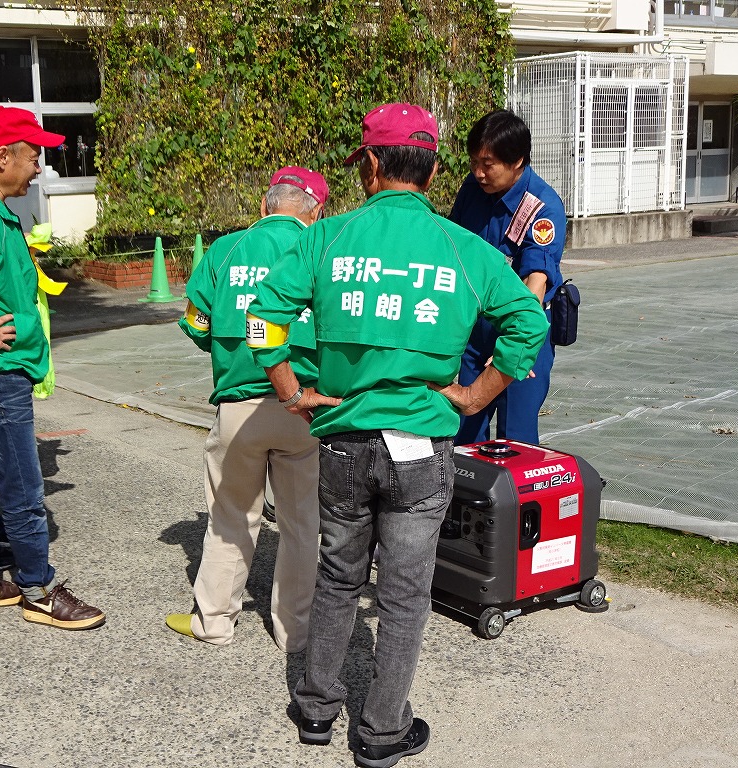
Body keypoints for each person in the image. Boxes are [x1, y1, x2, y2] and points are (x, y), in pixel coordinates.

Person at [246, 103, 548, 768]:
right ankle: (382, 732)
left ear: (371, 167)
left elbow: (263, 316)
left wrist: (291, 391)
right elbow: (529, 323)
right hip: (421, 447)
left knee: (338, 577)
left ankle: (316, 708)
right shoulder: (462, 249)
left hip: (344, 442)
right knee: (405, 594)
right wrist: (476, 395)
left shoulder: (327, 239)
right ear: (435, 172)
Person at [0, 106, 105, 629]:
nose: (39, 168)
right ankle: (39, 589)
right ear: (2, 156)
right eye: (34, 156)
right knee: (22, 487)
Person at [165, 166, 329, 652]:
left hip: (239, 406)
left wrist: (227, 349)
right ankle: (294, 632)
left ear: (264, 205)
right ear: (317, 211)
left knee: (231, 515)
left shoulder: (225, 250)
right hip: (304, 406)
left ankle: (214, 621)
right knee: (302, 523)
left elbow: (197, 322)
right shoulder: (323, 250)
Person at [450, 110, 566, 446]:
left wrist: (517, 345)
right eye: (474, 162)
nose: (478, 172)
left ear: (517, 161)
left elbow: (536, 281)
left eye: (488, 164)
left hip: (521, 330)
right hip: (475, 332)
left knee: (517, 438)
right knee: (465, 432)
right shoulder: (472, 189)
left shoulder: (543, 208)